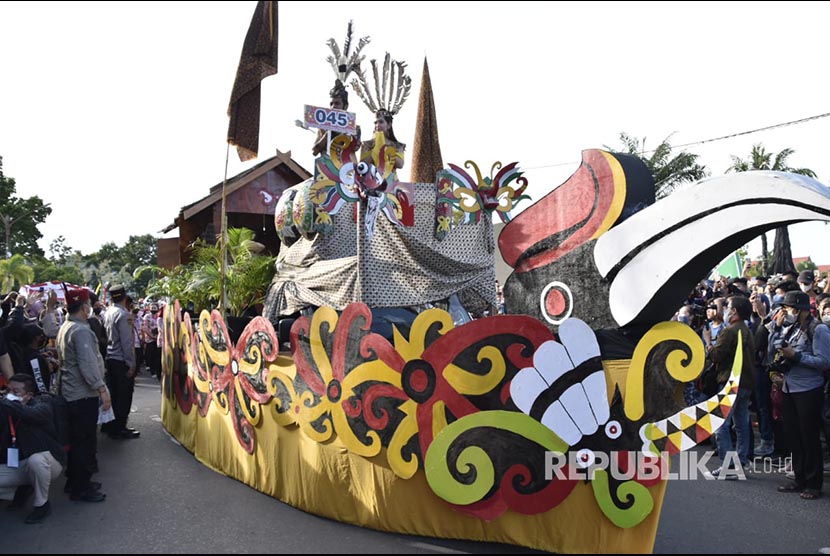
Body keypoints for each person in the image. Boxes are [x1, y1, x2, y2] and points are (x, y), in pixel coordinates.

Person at [768, 290, 829, 500]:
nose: (786, 312)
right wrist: (775, 330)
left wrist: (797, 356)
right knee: (793, 435)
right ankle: (799, 477)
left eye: (789, 308)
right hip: (789, 387)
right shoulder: (791, 328)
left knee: (809, 436)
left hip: (809, 389)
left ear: (802, 309)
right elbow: (772, 351)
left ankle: (814, 483)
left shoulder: (818, 329)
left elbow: (824, 362)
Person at [56, 287, 109, 502]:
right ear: (84, 307)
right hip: (82, 395)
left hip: (71, 392)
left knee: (78, 441)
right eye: (88, 304)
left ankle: (75, 481)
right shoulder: (81, 331)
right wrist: (102, 389)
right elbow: (88, 365)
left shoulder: (67, 326)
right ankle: (81, 487)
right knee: (84, 442)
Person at [0, 374, 66, 523]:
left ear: (29, 395)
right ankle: (20, 490)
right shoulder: (6, 411)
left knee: (36, 461)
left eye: (15, 392)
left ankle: (41, 505)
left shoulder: (42, 405)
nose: (9, 395)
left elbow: (30, 414)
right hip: (19, 464)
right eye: (7, 391)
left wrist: (7, 403)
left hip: (49, 462)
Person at [708, 295, 755, 478]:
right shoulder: (747, 330)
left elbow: (717, 356)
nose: (725, 310)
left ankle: (728, 465)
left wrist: (709, 346)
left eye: (728, 307)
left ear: (734, 311)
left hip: (730, 382)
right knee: (742, 424)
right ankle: (741, 461)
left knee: (722, 424)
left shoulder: (730, 331)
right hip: (745, 383)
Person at [102, 285, 139, 439]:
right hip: (120, 359)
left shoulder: (108, 312)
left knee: (114, 394)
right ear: (124, 297)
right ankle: (119, 428)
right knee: (124, 396)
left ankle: (110, 424)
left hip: (110, 357)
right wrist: (131, 363)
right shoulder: (123, 315)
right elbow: (127, 341)